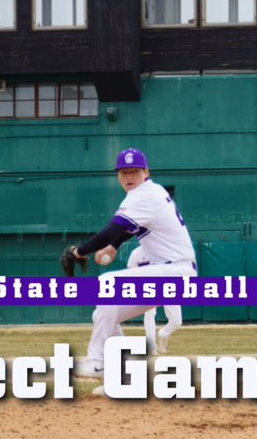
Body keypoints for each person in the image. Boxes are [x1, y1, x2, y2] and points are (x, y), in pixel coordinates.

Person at [72, 148, 197, 378]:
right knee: (103, 314)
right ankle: (128, 373)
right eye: (124, 172)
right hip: (168, 273)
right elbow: (131, 228)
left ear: (146, 172)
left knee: (107, 282)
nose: (129, 177)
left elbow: (113, 229)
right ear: (118, 176)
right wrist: (114, 245)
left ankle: (97, 362)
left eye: (135, 171)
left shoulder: (144, 195)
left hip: (177, 272)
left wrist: (79, 252)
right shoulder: (151, 192)